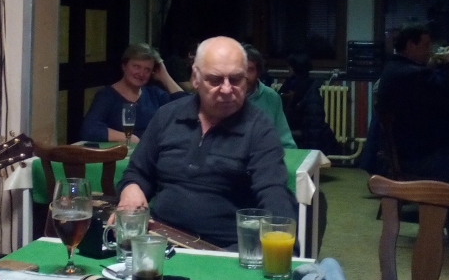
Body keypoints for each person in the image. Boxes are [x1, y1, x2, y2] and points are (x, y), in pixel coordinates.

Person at [116, 36, 297, 247]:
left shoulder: (259, 128)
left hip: (224, 248)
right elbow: (138, 172)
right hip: (161, 239)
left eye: (236, 79)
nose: (227, 89)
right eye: (215, 80)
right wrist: (131, 188)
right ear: (195, 78)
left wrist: (276, 242)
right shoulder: (167, 116)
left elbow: (273, 193)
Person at [375, 24, 449, 188]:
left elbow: (431, 99)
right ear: (411, 45)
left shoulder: (396, 67)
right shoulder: (409, 73)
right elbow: (446, 91)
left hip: (409, 152)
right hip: (417, 158)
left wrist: (433, 66)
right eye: (426, 45)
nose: (430, 50)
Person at [80, 43, 187, 144]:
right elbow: (89, 129)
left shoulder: (154, 94)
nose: (141, 73)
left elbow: (186, 108)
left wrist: (165, 76)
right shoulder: (107, 95)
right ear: (124, 66)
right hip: (122, 153)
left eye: (147, 70)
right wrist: (129, 138)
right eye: (136, 66)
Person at [278, 52, 337, 155]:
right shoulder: (289, 86)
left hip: (306, 144)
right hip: (296, 141)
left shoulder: (310, 92)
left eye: (289, 66)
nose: (288, 69)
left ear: (295, 67)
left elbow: (314, 131)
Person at [241, 43, 297, 149]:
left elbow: (286, 143)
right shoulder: (223, 96)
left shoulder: (271, 97)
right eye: (240, 70)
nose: (245, 76)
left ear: (258, 73)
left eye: (250, 70)